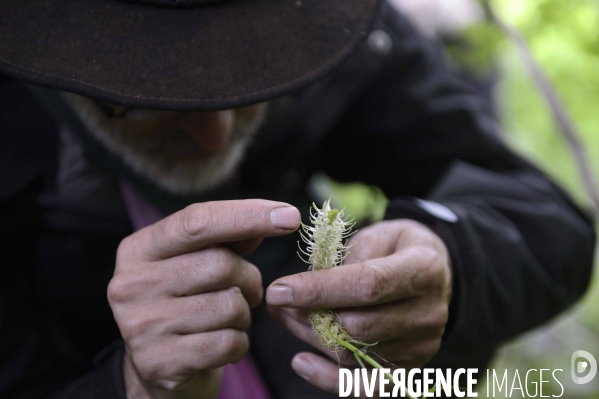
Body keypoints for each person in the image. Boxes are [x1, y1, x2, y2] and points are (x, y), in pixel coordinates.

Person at [0, 0, 595, 398]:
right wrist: (132, 384)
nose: (217, 134)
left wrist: (451, 260)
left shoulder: (338, 37)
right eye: (137, 100)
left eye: (254, 84)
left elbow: (548, 219)